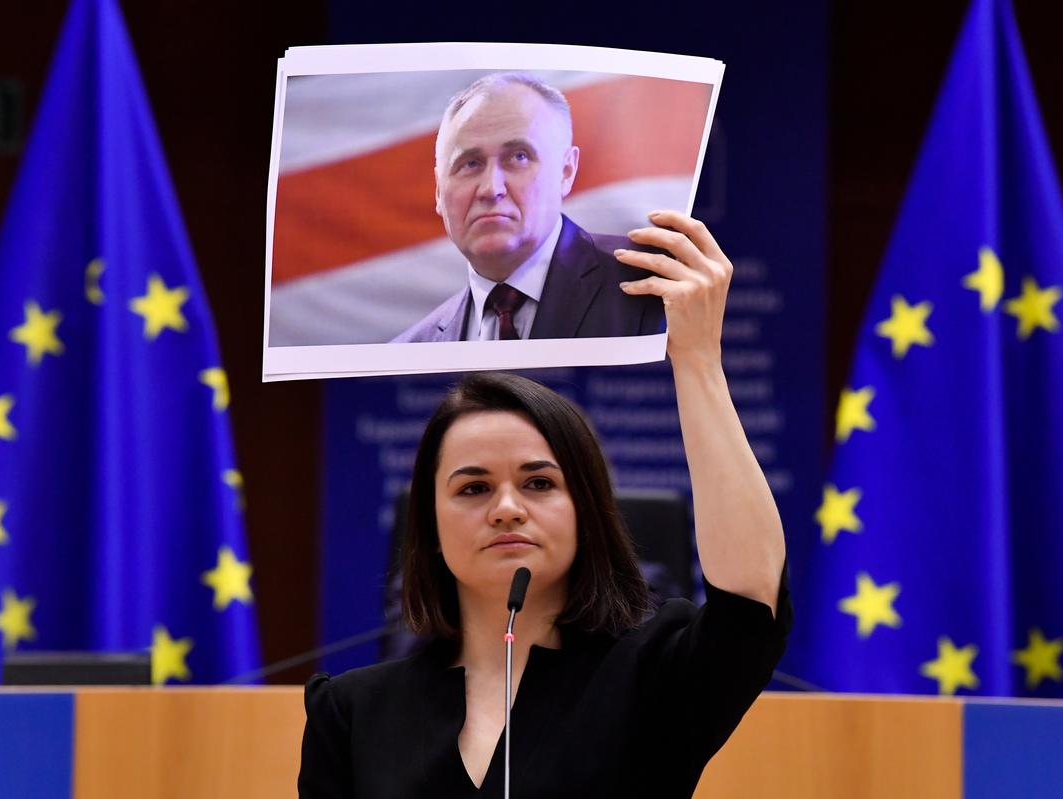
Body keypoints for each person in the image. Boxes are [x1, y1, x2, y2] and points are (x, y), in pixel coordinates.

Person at [302, 210, 790, 797]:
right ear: (428, 525)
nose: (506, 508)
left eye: (539, 483)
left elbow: (750, 599)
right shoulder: (352, 712)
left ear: (585, 511)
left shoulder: (654, 674)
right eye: (473, 488)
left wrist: (697, 360)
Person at [391, 72, 666, 343]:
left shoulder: (658, 289)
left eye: (519, 157)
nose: (491, 188)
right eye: (470, 164)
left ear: (566, 171)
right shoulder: (408, 350)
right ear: (439, 190)